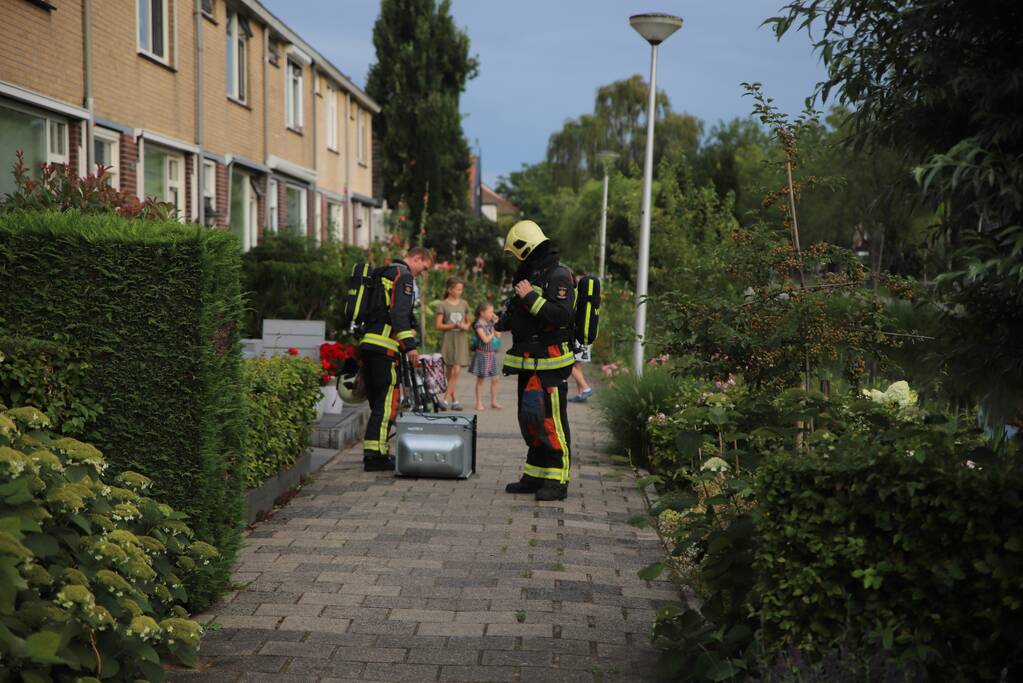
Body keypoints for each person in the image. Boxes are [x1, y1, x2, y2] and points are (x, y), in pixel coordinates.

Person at [496, 219, 576, 501]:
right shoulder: (531, 273)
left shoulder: (559, 275)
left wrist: (530, 298)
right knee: (531, 419)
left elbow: (562, 315)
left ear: (524, 247)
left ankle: (557, 479)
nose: (515, 260)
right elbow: (519, 315)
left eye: (516, 253)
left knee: (552, 421)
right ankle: (535, 474)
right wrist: (502, 322)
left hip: (551, 364)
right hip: (528, 364)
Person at [358, 246, 433, 471]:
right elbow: (399, 313)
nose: (422, 273)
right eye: (424, 267)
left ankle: (376, 449)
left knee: (377, 401)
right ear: (417, 258)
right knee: (388, 400)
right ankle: (375, 456)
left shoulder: (382, 272)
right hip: (386, 347)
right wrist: (410, 347)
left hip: (369, 344)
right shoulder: (404, 276)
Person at [436, 276, 470, 410]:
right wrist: (453, 325)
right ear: (450, 290)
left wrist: (466, 325)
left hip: (461, 340)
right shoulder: (443, 305)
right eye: (458, 289)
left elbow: (468, 321)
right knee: (449, 372)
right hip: (449, 340)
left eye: (461, 289)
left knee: (456, 370)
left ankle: (444, 400)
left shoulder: (464, 304)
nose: (460, 292)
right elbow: (438, 325)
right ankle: (455, 400)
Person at [469, 300, 502, 411]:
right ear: (482, 313)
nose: (492, 314)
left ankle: (493, 401)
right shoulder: (478, 325)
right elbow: (486, 339)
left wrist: (496, 324)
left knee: (496, 379)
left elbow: (498, 335)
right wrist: (493, 332)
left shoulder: (490, 324)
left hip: (491, 354)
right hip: (482, 355)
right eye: (490, 312)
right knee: (481, 380)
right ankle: (478, 403)